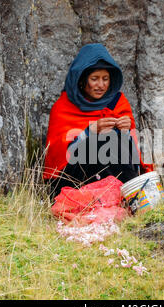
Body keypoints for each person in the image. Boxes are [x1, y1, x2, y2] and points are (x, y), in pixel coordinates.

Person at [43, 43, 152, 199]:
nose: (101, 85)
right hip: (74, 179)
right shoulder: (63, 107)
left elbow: (132, 153)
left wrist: (126, 130)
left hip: (114, 171)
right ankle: (135, 196)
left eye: (105, 79)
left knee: (115, 139)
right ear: (82, 80)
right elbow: (60, 157)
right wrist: (90, 132)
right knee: (103, 141)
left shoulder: (118, 102)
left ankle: (130, 195)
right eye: (94, 79)